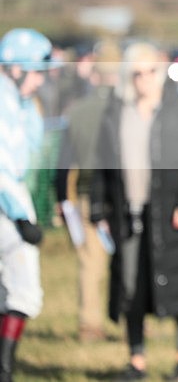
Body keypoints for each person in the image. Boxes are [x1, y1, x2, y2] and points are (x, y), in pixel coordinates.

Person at [91, 42, 178, 381]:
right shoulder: (115, 113)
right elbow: (102, 165)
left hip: (172, 216)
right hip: (128, 217)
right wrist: (100, 208)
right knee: (132, 290)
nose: (144, 79)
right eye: (136, 73)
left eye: (150, 71)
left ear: (160, 72)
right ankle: (136, 362)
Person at [55, 41, 120, 341]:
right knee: (126, 260)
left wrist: (60, 198)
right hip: (120, 195)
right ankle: (130, 320)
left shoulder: (77, 111)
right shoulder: (128, 108)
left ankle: (88, 324)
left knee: (89, 264)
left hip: (83, 194)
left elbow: (64, 160)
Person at [0, 28, 53, 382]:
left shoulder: (19, 103)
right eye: (37, 73)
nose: (41, 81)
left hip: (12, 202)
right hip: (8, 208)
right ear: (17, 69)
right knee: (24, 291)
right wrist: (20, 216)